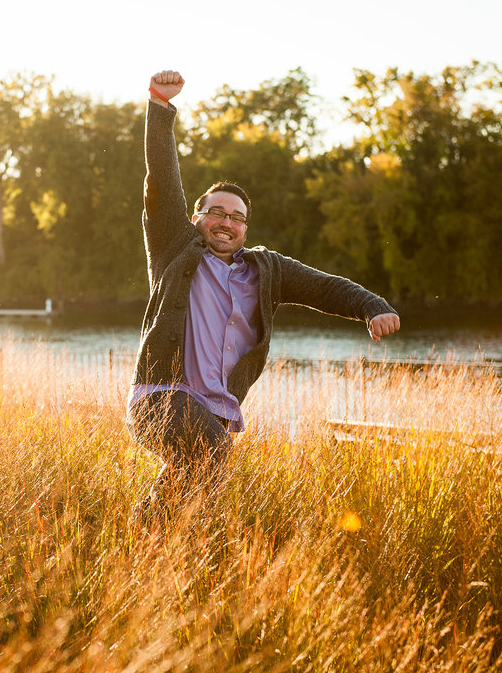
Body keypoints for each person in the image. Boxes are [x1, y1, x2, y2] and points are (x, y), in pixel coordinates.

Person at [127, 70, 401, 513]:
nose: (226, 221)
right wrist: (160, 107)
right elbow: (161, 177)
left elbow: (325, 287)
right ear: (196, 219)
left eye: (236, 217)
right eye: (216, 212)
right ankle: (157, 529)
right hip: (160, 398)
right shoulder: (174, 248)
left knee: (195, 492)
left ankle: (151, 535)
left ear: (245, 228)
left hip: (211, 413)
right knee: (214, 456)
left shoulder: (265, 270)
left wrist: (372, 306)